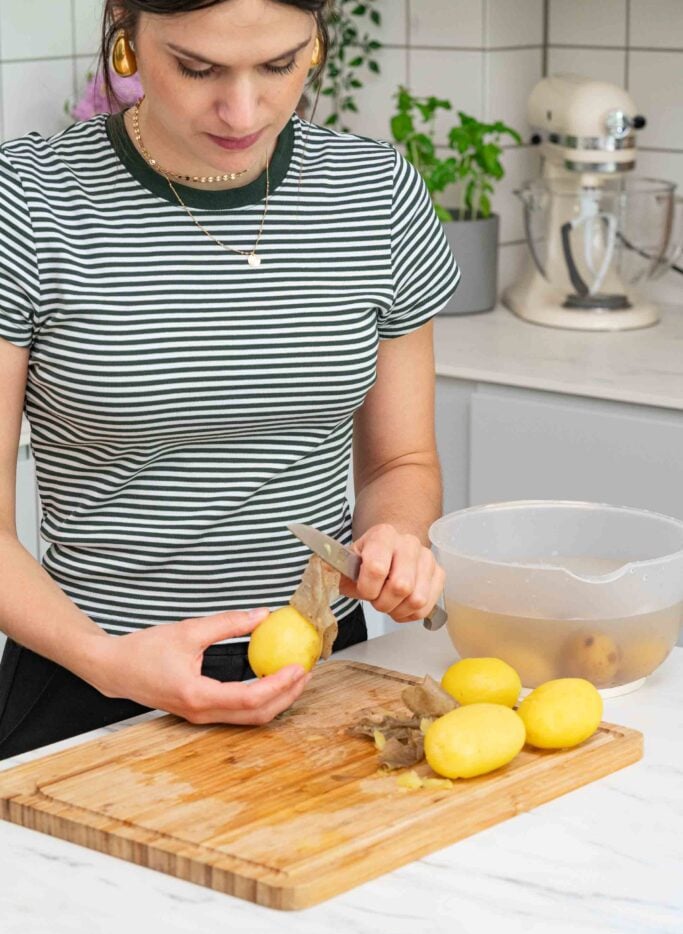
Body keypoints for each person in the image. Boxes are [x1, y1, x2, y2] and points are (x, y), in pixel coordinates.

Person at [0, 0, 460, 759]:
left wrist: (397, 538)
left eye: (278, 65)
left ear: (316, 41)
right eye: (196, 67)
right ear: (127, 32)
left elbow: (399, 464)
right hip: (90, 683)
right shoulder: (28, 201)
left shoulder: (375, 195)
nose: (243, 110)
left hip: (322, 676)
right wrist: (110, 663)